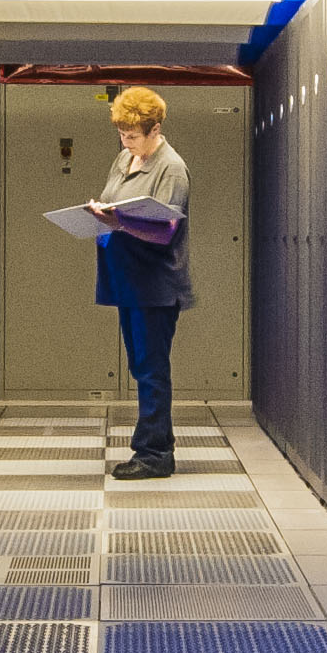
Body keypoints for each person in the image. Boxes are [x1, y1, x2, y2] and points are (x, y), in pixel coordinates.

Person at [88, 85, 193, 477]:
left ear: (155, 129)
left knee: (151, 370)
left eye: (133, 135)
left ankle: (153, 455)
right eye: (121, 133)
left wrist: (117, 221)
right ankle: (154, 447)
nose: (126, 141)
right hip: (127, 279)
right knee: (141, 367)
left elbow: (165, 230)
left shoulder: (171, 168)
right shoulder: (124, 159)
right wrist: (98, 214)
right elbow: (113, 202)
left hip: (155, 284)